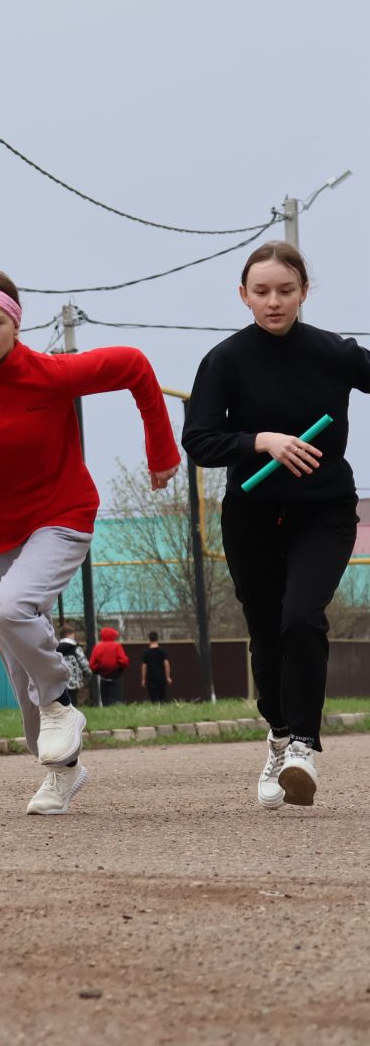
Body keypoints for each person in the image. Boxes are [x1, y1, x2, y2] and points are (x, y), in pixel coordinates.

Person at [0, 271, 179, 816]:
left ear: (16, 323)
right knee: (17, 671)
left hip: (62, 514)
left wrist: (161, 450)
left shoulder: (51, 372)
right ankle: (62, 770)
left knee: (7, 610)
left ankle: (60, 700)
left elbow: (134, 366)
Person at [183, 241, 370, 809]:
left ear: (303, 293)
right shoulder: (225, 360)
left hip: (325, 510)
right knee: (265, 636)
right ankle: (279, 735)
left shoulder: (334, 353)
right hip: (252, 513)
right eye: (261, 291)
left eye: (285, 290)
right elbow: (199, 441)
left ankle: (304, 748)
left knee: (300, 617)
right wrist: (260, 440)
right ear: (243, 296)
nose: (273, 301)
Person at [90, 627, 130, 706]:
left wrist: (97, 670)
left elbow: (92, 664)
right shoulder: (117, 646)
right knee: (117, 697)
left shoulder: (98, 647)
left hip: (103, 676)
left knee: (105, 698)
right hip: (116, 675)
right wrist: (122, 667)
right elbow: (124, 660)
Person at [56, 628, 91, 705]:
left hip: (59, 681)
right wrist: (88, 674)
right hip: (73, 680)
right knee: (73, 701)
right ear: (71, 634)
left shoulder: (55, 648)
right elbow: (83, 663)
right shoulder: (75, 647)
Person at [141, 633, 172, 704]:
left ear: (149, 639)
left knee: (153, 697)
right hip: (161, 677)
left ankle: (155, 709)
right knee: (162, 697)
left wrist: (143, 679)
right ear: (157, 639)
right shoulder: (162, 651)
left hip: (150, 678)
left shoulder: (146, 653)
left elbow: (144, 667)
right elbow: (166, 664)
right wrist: (168, 677)